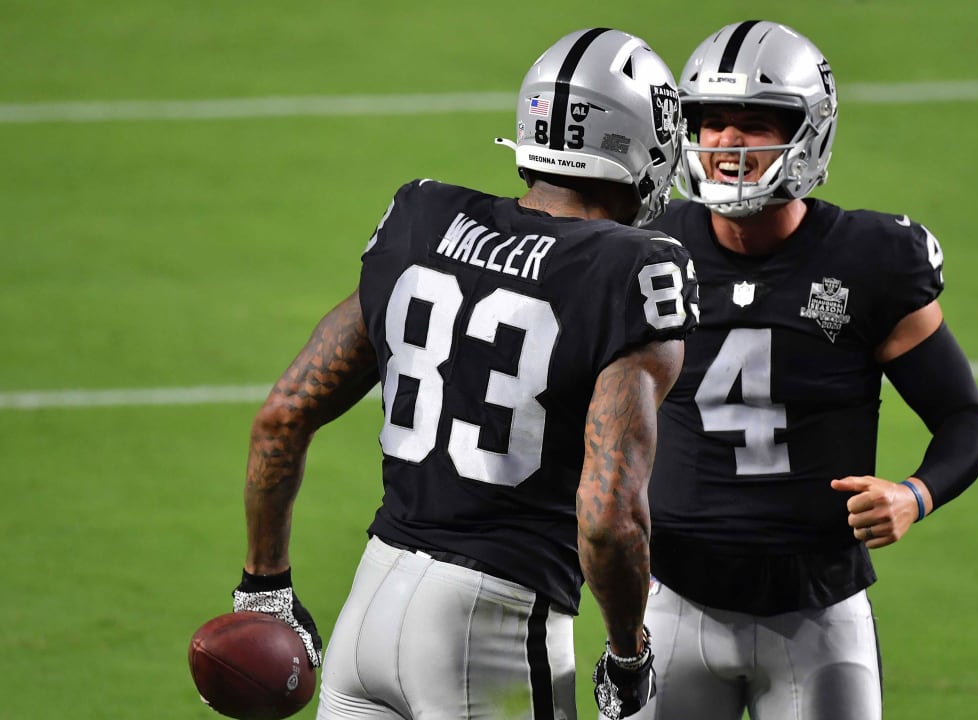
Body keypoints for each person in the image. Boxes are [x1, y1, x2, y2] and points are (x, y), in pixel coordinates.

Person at [229, 28, 698, 720]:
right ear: (639, 144)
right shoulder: (632, 267)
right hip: (497, 626)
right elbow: (606, 519)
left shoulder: (423, 219)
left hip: (372, 600)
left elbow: (283, 416)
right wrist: (629, 652)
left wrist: (263, 587)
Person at [628, 20, 978, 720]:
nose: (729, 143)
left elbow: (965, 420)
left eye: (756, 122)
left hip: (818, 613)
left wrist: (913, 496)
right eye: (711, 123)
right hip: (673, 600)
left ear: (808, 132)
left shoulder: (870, 261)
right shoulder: (644, 248)